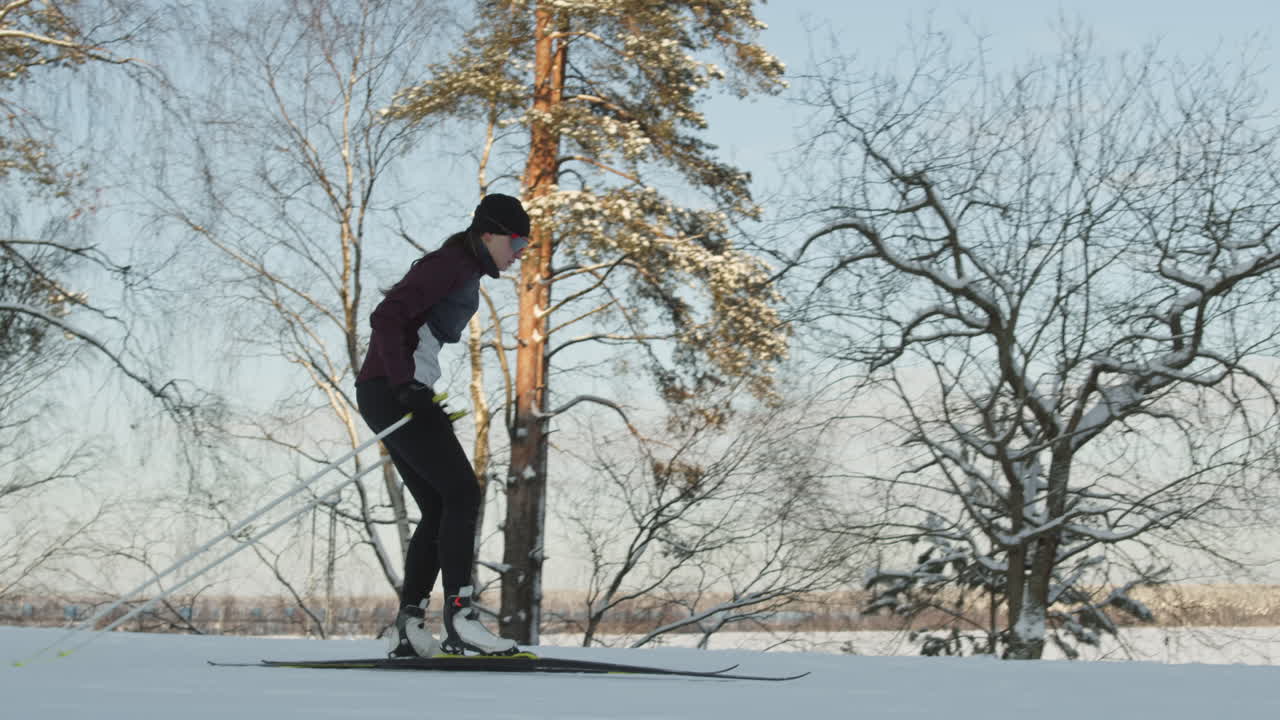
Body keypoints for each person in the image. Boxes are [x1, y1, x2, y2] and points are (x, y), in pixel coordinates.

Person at [355, 193, 530, 657]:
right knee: (462, 495)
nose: (519, 253)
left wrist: (411, 389)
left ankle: (410, 625)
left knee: (439, 503)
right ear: (488, 234)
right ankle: (461, 619)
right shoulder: (449, 263)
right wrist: (405, 388)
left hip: (390, 391)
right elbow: (386, 317)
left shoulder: (464, 267)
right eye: (517, 241)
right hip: (393, 391)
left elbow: (414, 333)